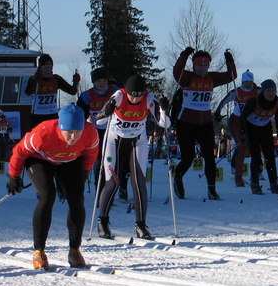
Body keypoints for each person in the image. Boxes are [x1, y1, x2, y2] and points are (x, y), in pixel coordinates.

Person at [6, 104, 99, 269]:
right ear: (61, 127)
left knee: (77, 198)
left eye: (78, 131)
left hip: (70, 160)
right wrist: (14, 176)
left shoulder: (90, 133)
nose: (73, 136)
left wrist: (84, 172)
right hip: (40, 160)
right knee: (48, 195)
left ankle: (75, 249)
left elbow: (91, 153)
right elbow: (19, 152)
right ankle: (39, 251)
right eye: (69, 132)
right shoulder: (43, 133)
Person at [94, 74, 170, 240]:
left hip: (137, 142)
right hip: (114, 142)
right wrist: (107, 111)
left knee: (139, 182)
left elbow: (164, 124)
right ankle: (103, 221)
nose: (135, 100)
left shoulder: (148, 99)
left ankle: (141, 225)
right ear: (126, 92)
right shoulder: (119, 96)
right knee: (113, 181)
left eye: (138, 96)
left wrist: (164, 110)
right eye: (132, 96)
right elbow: (98, 121)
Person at [172, 48, 236, 200]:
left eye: (205, 66)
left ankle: (212, 189)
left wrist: (229, 61)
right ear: (194, 66)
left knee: (209, 157)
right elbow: (177, 71)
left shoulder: (212, 78)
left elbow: (232, 76)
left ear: (208, 66)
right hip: (186, 123)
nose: (202, 69)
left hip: (205, 123)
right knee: (188, 158)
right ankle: (178, 177)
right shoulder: (187, 77)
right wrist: (184, 55)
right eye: (199, 66)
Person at [241, 79, 278, 195]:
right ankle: (255, 183)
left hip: (265, 127)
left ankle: (274, 183)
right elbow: (243, 116)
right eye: (268, 91)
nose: (271, 93)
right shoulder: (254, 101)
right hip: (251, 127)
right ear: (263, 91)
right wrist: (243, 132)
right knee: (256, 156)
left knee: (270, 156)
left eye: (273, 90)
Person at [215, 70, 258, 187]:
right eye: (246, 82)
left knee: (249, 146)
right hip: (236, 122)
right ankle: (237, 175)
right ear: (243, 82)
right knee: (242, 145)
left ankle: (243, 168)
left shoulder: (257, 91)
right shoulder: (236, 92)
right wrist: (218, 112)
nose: (248, 84)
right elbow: (224, 101)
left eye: (250, 82)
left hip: (249, 122)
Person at [76, 67, 118, 187]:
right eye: (98, 81)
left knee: (113, 159)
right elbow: (81, 114)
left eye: (104, 81)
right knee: (99, 161)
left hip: (113, 130)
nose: (102, 84)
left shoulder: (115, 92)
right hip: (96, 132)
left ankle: (117, 186)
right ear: (94, 82)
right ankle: (99, 188)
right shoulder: (87, 96)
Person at [24, 54, 80, 127]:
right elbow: (28, 92)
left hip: (52, 115)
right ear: (40, 68)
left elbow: (72, 91)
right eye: (46, 68)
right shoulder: (35, 79)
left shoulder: (56, 79)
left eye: (50, 68)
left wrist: (76, 82)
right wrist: (34, 80)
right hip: (37, 116)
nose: (48, 70)